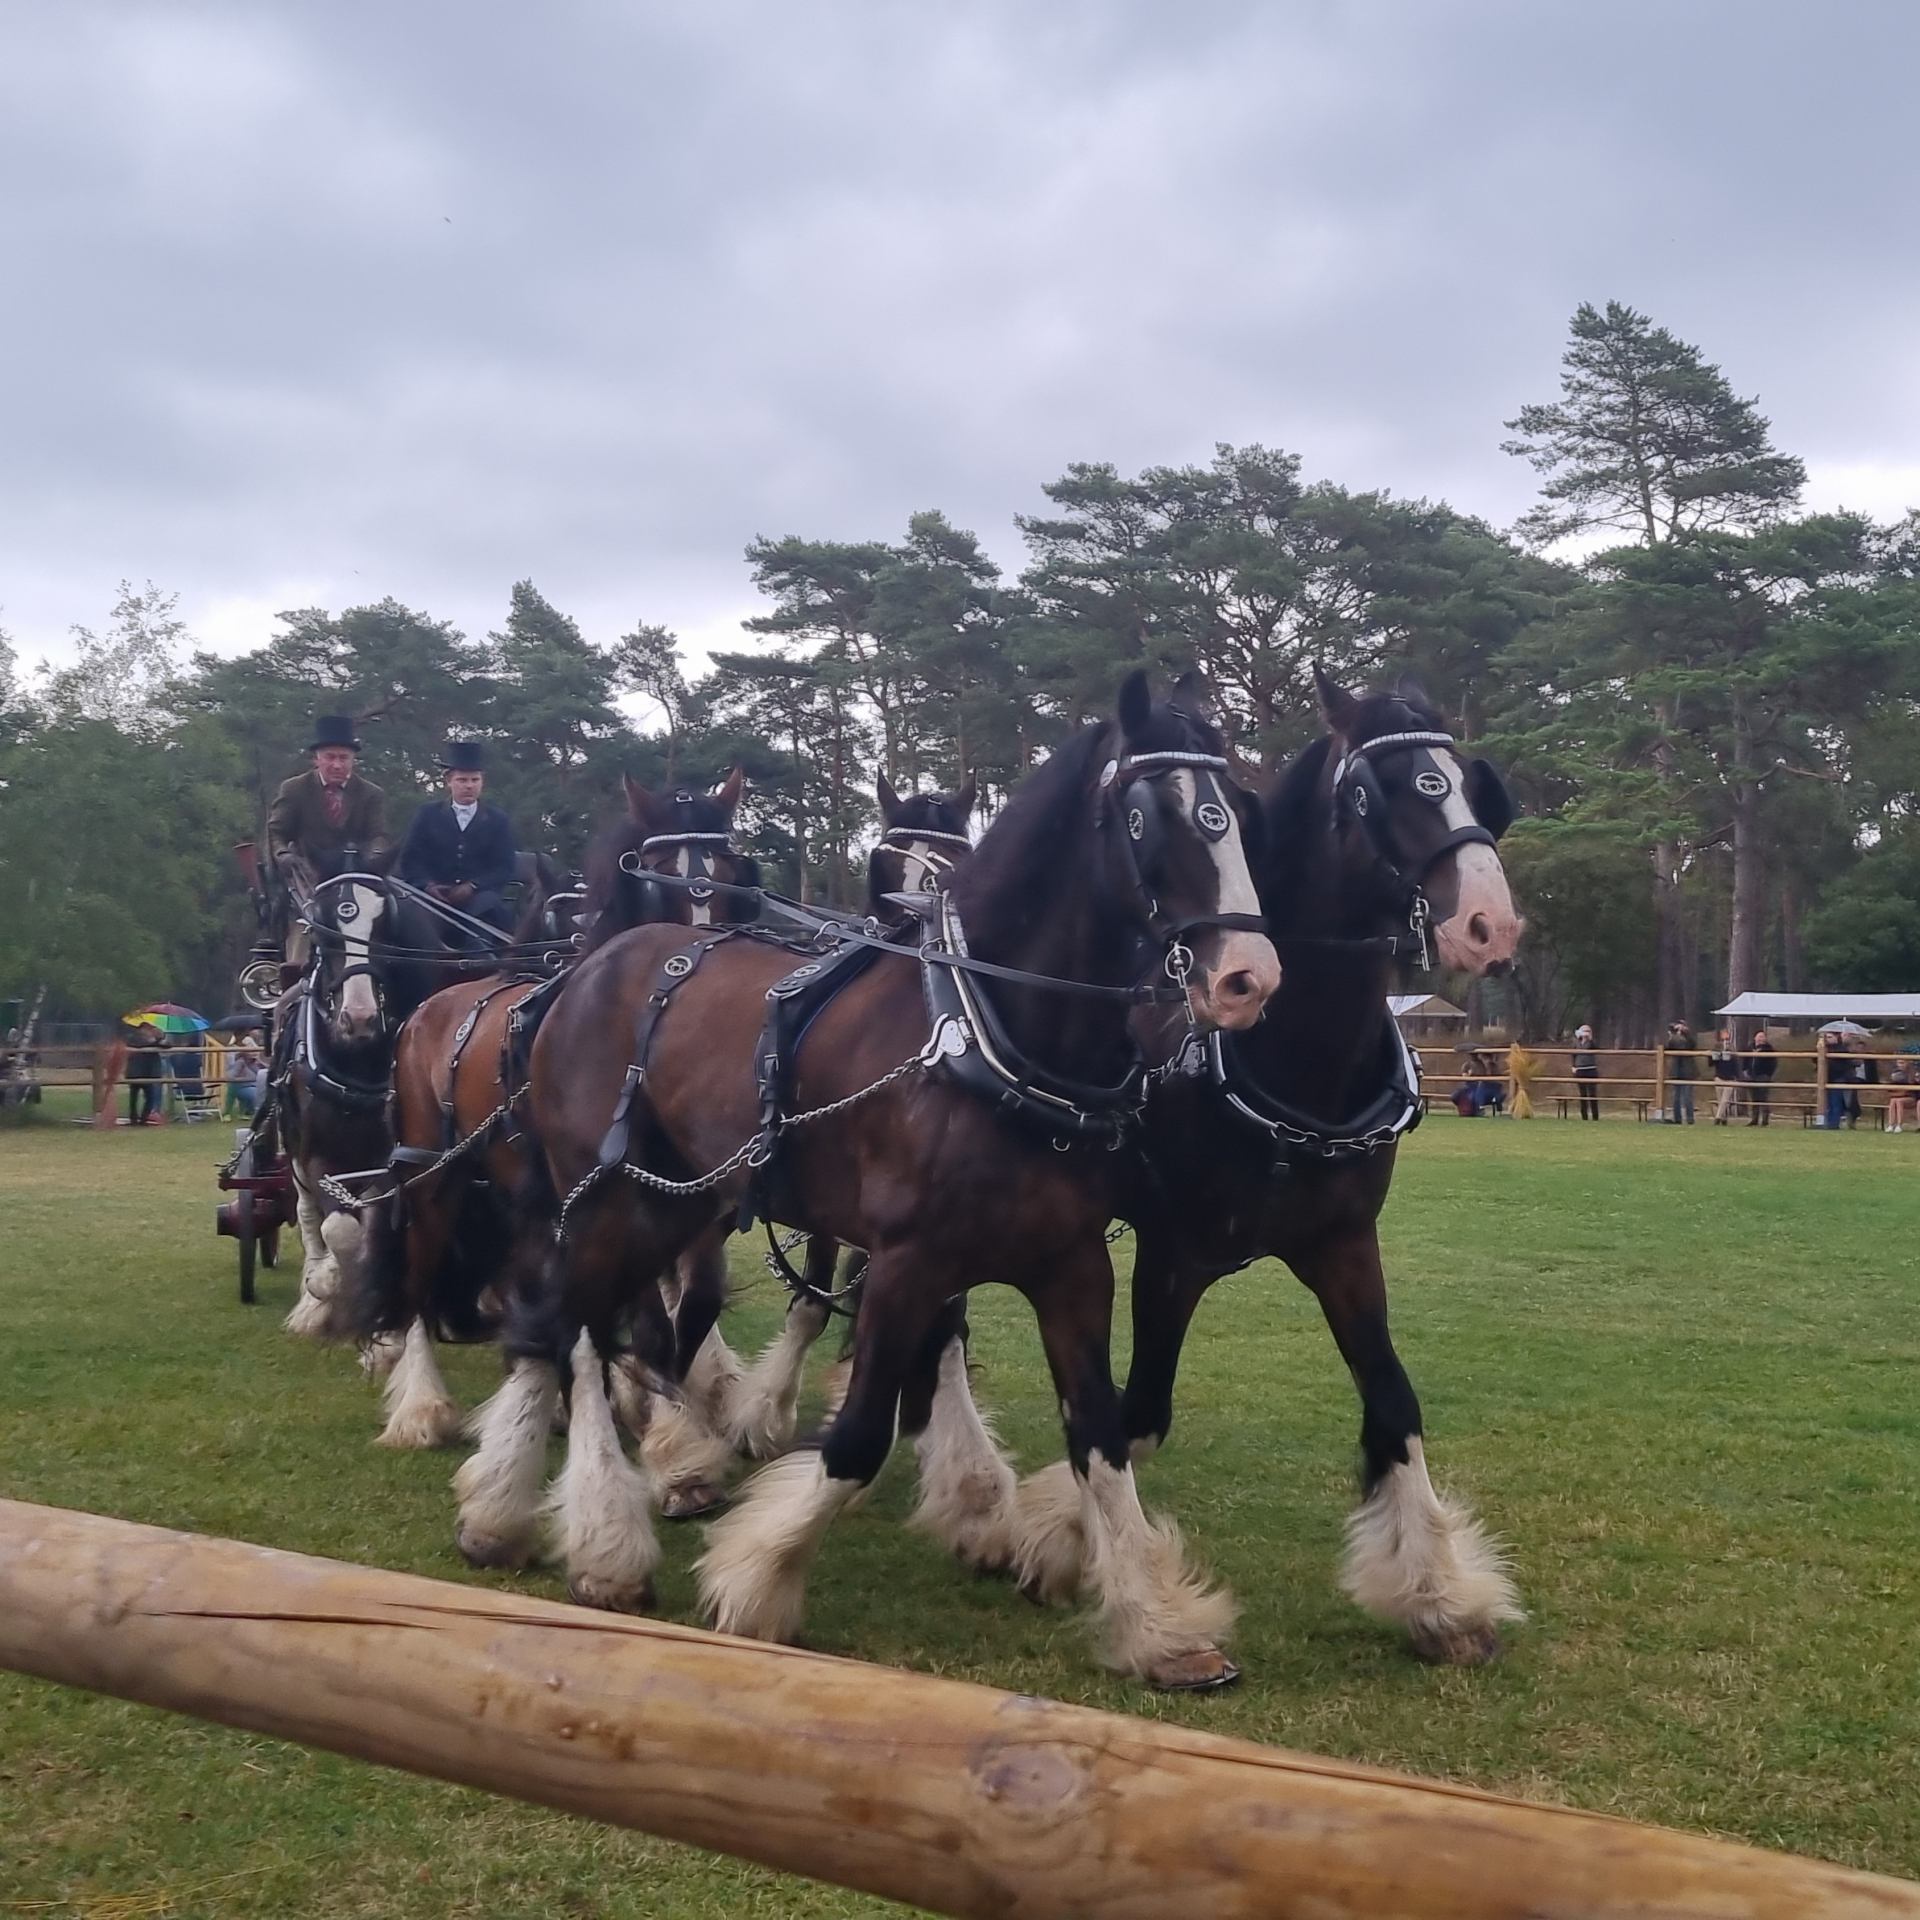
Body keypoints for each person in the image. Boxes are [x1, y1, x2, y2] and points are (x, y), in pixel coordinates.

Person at [398, 740, 519, 938]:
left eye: (474, 780)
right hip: (432, 897)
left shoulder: (498, 819)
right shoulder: (427, 814)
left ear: (482, 781)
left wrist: (473, 886)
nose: (469, 786)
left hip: (480, 899)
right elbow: (410, 859)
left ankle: (480, 961)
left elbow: (504, 867)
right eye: (462, 780)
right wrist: (428, 886)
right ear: (449, 781)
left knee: (487, 907)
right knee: (412, 914)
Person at [126, 1024, 163, 1126]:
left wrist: (159, 1038)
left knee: (149, 1098)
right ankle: (134, 1119)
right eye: (148, 1028)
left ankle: (143, 1119)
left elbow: (161, 1045)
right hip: (136, 1071)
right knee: (134, 1097)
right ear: (142, 1028)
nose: (150, 1030)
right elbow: (145, 1046)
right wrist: (157, 1041)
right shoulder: (133, 1037)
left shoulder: (149, 1039)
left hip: (146, 1072)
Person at [1744, 1029, 1777, 1126]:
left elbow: (1773, 1063)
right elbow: (1745, 1061)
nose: (1761, 1038)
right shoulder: (1749, 1048)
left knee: (1763, 1098)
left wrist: (1768, 1074)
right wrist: (1745, 1071)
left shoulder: (1769, 1049)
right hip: (1751, 1076)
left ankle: (1765, 1120)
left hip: (1763, 1076)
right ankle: (1754, 1119)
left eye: (1763, 1036)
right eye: (1759, 1036)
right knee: (1754, 1098)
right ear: (1755, 1038)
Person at [1667, 1020, 1697, 1124]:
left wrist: (1685, 1034)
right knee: (1675, 1098)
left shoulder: (1689, 1039)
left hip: (1687, 1071)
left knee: (1688, 1097)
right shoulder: (1673, 1039)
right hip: (1676, 1071)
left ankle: (1690, 1118)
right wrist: (1674, 1035)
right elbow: (1669, 1046)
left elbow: (1691, 1045)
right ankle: (1677, 1119)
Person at [1710, 1029, 1743, 1124]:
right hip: (1719, 1077)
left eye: (1727, 1040)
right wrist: (1713, 1055)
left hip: (1730, 1079)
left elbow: (1737, 1066)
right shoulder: (1717, 1051)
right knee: (1720, 1100)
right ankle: (1724, 1119)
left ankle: (1717, 1118)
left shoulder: (1733, 1054)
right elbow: (1711, 1064)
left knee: (1725, 1100)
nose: (1726, 1042)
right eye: (1724, 1040)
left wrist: (1739, 1078)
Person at [1572, 1023, 1601, 1120]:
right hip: (1580, 1070)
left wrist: (1590, 1038)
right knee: (1582, 1094)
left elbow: (1596, 1048)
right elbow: (1573, 1054)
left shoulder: (1592, 1042)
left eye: (1587, 1031)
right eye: (1583, 1031)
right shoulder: (1576, 1042)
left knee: (1592, 1094)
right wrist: (1573, 1066)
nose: (1585, 1033)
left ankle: (1595, 1116)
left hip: (1591, 1069)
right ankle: (1584, 1116)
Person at [1886, 1058, 1916, 1133]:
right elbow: (1890, 1087)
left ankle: (1899, 1125)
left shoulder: (1912, 1074)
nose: (1901, 1065)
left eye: (1903, 1063)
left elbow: (1912, 1088)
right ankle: (1891, 1124)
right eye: (1899, 1063)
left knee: (1899, 1101)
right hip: (1897, 1095)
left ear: (1907, 1063)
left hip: (1911, 1097)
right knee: (1893, 1101)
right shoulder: (1895, 1074)